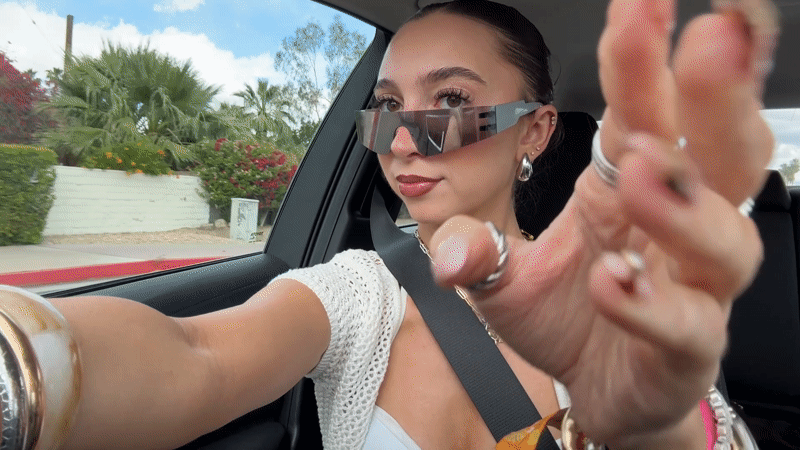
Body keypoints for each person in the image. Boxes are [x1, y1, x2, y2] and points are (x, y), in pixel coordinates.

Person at [0, 0, 778, 448]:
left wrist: (665, 428)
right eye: (384, 109)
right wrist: (23, 362)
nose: (402, 140)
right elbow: (196, 351)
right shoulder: (358, 295)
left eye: (447, 104)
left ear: (535, 132)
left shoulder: (624, 301)